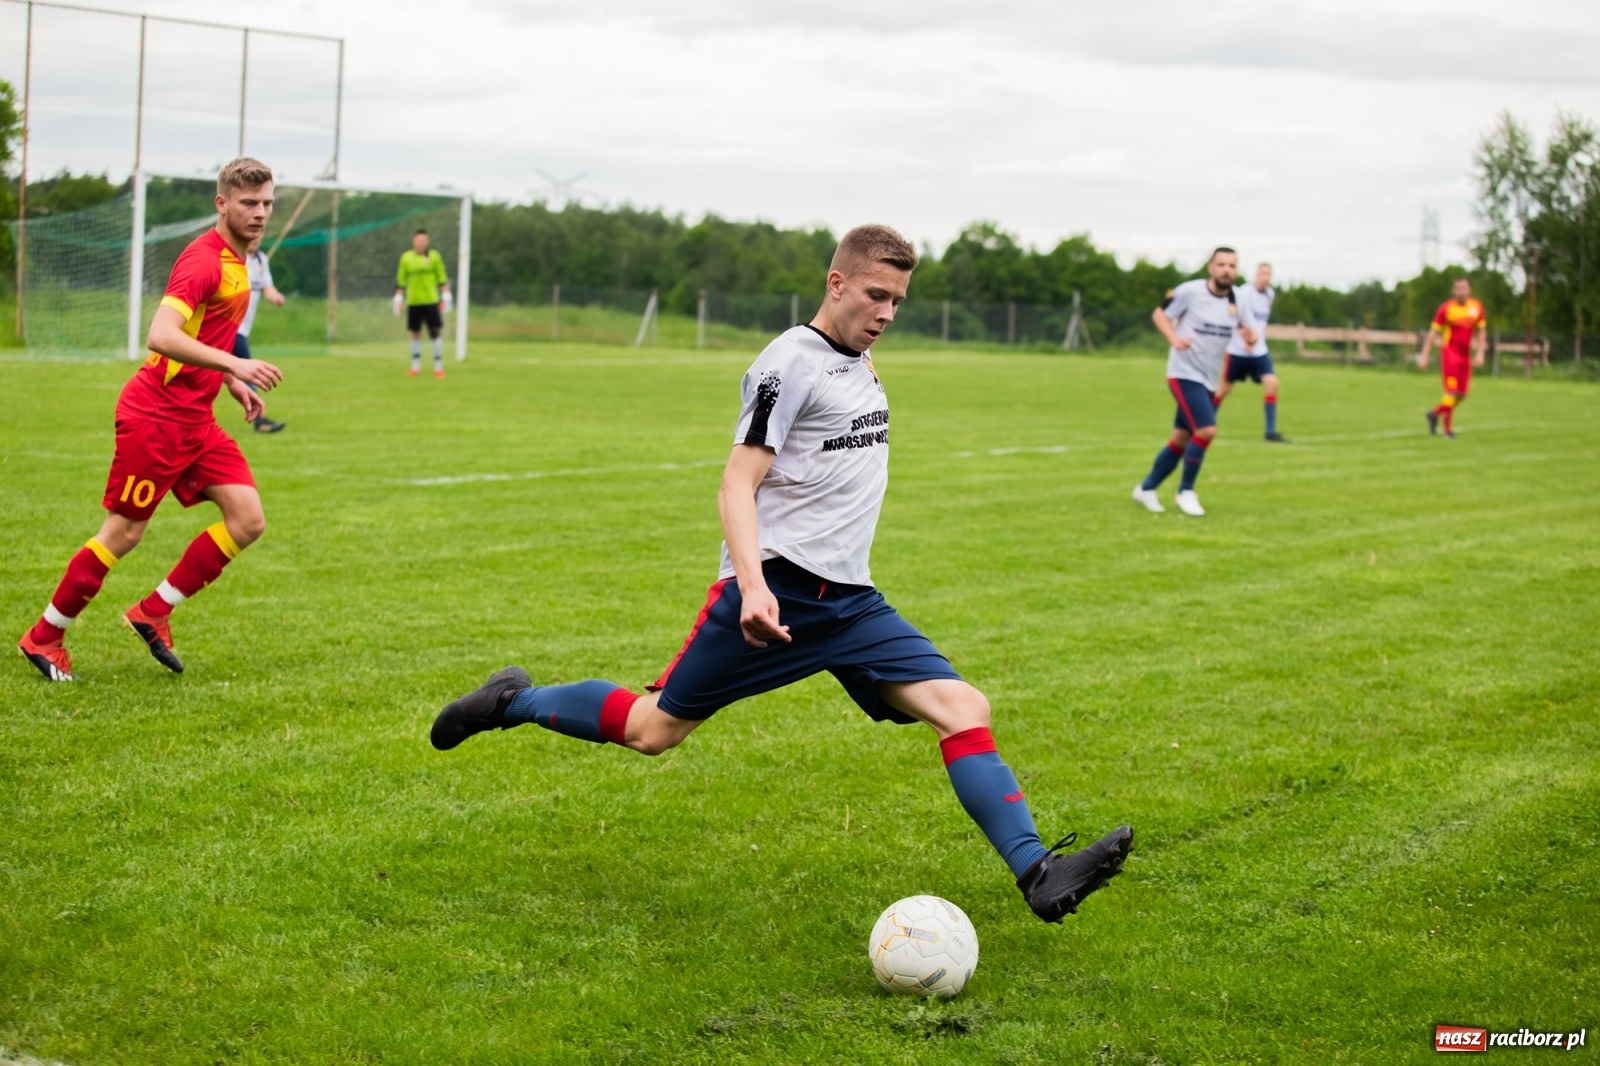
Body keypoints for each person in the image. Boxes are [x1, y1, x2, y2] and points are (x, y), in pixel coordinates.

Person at [430, 225, 1134, 924]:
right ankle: (509, 702)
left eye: (898, 302)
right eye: (875, 295)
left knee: (964, 709)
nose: (886, 314)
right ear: (836, 283)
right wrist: (754, 584)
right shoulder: (786, 364)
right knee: (654, 731)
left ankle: (1038, 872)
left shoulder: (861, 362)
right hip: (778, 594)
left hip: (852, 605)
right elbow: (737, 484)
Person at [17, 158, 283, 682]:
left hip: (195, 418)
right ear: (221, 203)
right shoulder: (204, 261)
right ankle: (45, 635)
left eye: (267, 203)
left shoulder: (242, 260)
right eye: (248, 203)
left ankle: (153, 610)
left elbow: (205, 332)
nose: (259, 213)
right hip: (156, 417)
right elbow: (161, 335)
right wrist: (236, 363)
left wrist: (228, 381)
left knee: (247, 519)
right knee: (123, 532)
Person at [1131, 247, 1261, 517]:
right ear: (1211, 268)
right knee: (1206, 430)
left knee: (1181, 438)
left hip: (1209, 379)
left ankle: (1146, 488)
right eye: (1221, 264)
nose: (1227, 270)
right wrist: (1175, 340)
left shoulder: (1238, 300)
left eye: (1232, 266)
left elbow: (1250, 333)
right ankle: (1186, 492)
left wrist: (1251, 339)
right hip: (1183, 373)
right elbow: (1160, 315)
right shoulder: (1190, 292)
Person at [1218, 261, 1287, 442]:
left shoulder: (1270, 295)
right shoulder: (1243, 293)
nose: (1265, 277)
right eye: (1262, 273)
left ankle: (1270, 432)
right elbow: (1235, 316)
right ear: (1256, 275)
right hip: (1238, 350)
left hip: (1259, 351)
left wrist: (1255, 341)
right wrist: (1244, 337)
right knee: (1224, 390)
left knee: (1272, 383)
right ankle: (1204, 424)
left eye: (1268, 274)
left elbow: (1260, 324)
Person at [1418, 278, 1486, 439]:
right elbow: (1433, 333)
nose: (1462, 291)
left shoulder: (1476, 307)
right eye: (1458, 288)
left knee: (1462, 394)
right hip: (1450, 353)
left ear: (1469, 289)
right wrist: (1424, 356)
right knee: (1452, 392)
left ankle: (1434, 414)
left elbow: (1481, 331)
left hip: (1465, 355)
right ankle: (1447, 430)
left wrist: (1480, 352)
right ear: (1454, 291)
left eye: (1464, 288)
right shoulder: (1446, 309)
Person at [235, 238, 287, 433]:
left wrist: (276, 297)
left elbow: (267, 288)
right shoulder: (235, 257)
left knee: (214, 374)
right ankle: (260, 421)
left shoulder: (261, 260)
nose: (256, 239)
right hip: (233, 328)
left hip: (242, 330)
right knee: (248, 371)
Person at [395, 228, 450, 378]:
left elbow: (442, 277)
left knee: (434, 331)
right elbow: (401, 280)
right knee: (415, 332)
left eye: (423, 240)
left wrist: (446, 295)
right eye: (417, 240)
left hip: (431, 300)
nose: (420, 243)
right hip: (414, 301)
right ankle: (415, 367)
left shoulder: (434, 257)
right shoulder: (406, 258)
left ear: (427, 241)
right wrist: (398, 298)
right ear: (413, 241)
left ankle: (438, 367)